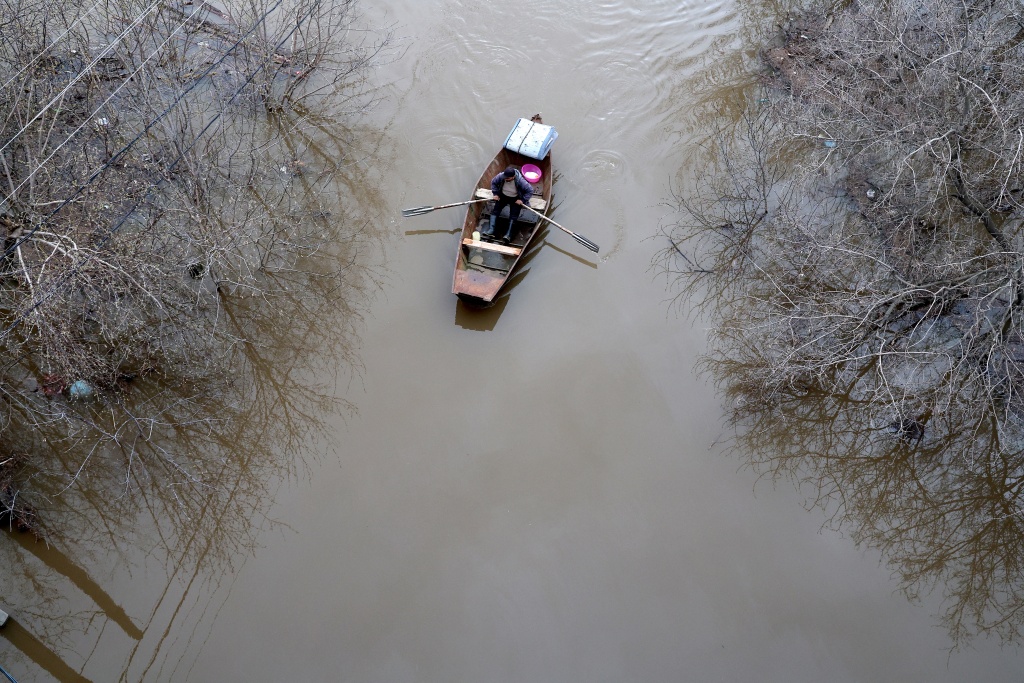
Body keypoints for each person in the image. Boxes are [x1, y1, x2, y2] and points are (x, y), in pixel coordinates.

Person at [485, 165, 534, 244]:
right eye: (505, 177)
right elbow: (493, 182)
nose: (505, 179)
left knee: (513, 215)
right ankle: (491, 230)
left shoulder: (520, 181)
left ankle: (508, 234)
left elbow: (530, 191)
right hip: (503, 196)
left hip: (515, 198)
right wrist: (495, 194)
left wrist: (522, 200)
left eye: (507, 178)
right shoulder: (501, 176)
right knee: (495, 210)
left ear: (513, 177)